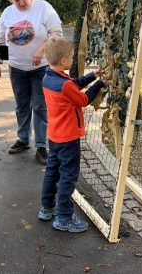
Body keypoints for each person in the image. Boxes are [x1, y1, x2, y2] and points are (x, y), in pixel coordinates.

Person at [38, 37, 106, 232]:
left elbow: (73, 84)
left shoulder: (49, 77)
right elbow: (83, 99)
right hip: (68, 138)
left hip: (55, 136)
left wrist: (92, 75)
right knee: (68, 176)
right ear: (63, 62)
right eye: (71, 57)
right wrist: (99, 84)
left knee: (52, 171)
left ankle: (47, 207)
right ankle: (65, 217)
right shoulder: (64, 85)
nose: (72, 59)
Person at [0, 0, 63, 164]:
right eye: (16, 0)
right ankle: (23, 139)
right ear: (11, 0)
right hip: (16, 67)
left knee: (40, 107)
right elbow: (0, 38)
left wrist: (41, 50)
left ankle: (41, 146)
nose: (21, 3)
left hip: (40, 68)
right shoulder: (8, 13)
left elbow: (57, 34)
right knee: (21, 105)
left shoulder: (43, 8)